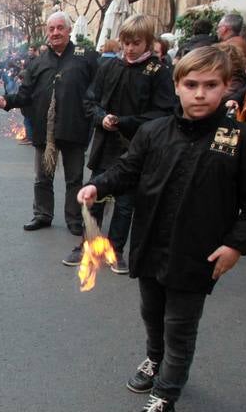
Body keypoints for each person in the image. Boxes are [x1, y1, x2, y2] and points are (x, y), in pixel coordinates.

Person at [78, 46, 246, 412]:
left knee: (180, 326)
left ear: (226, 87)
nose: (200, 94)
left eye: (210, 85)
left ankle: (166, 397)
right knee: (152, 313)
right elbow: (128, 170)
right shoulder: (153, 131)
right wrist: (97, 185)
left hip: (199, 250)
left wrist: (237, 245)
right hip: (151, 241)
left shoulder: (242, 139)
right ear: (177, 86)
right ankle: (155, 360)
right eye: (191, 85)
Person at [73, 13, 174, 272]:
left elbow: (163, 112)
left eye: (136, 43)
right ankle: (89, 245)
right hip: (105, 143)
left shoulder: (158, 71)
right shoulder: (109, 66)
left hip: (136, 146)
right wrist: (101, 118)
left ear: (148, 42)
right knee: (95, 194)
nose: (129, 49)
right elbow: (90, 101)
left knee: (126, 202)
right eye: (126, 42)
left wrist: (126, 122)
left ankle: (116, 250)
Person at [0, 12, 97, 235]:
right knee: (42, 177)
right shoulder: (38, 63)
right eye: (51, 29)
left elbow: (98, 88)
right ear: (47, 32)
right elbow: (25, 94)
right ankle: (42, 214)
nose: (56, 32)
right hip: (45, 130)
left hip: (74, 126)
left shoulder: (86, 57)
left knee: (74, 178)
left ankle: (74, 219)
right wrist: (7, 101)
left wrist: (91, 110)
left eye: (60, 28)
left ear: (69, 30)